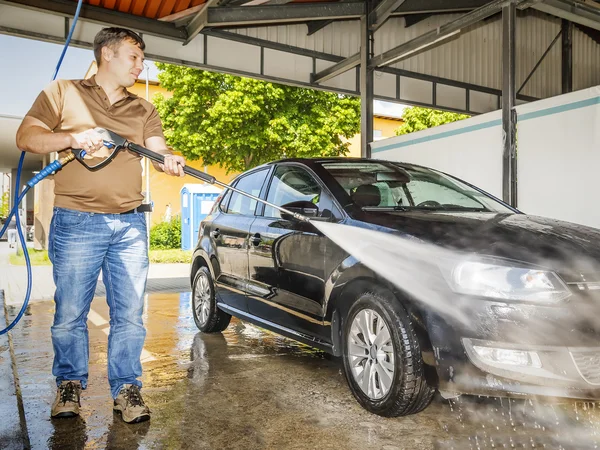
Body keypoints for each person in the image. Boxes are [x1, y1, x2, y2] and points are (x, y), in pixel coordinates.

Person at [16, 27, 185, 424]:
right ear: (107, 54)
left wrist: (169, 159)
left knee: (129, 313)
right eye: (134, 57)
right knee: (71, 311)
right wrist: (73, 137)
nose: (141, 66)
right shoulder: (62, 92)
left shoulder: (143, 109)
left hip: (129, 225)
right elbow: (27, 136)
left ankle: (127, 388)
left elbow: (157, 148)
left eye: (142, 59)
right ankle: (69, 385)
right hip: (77, 221)